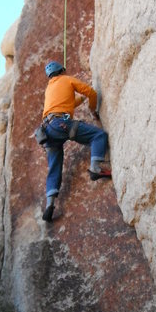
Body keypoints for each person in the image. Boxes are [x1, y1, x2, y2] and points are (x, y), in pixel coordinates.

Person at [40, 61, 111, 222]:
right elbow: (92, 93)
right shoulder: (67, 79)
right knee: (98, 136)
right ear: (61, 71)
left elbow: (68, 103)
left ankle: (49, 204)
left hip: (47, 130)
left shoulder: (49, 89)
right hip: (61, 124)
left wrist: (79, 99)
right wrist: (94, 110)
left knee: (54, 166)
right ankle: (96, 168)